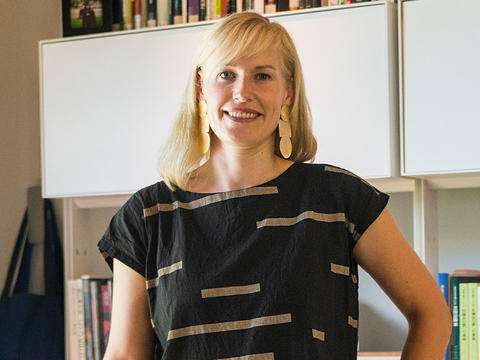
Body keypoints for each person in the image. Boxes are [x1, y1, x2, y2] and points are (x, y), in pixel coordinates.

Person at [99, 12, 451, 360]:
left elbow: (431, 313)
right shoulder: (146, 216)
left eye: (262, 76)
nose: (242, 92)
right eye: (227, 74)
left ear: (288, 93)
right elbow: (125, 354)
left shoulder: (339, 198)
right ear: (200, 87)